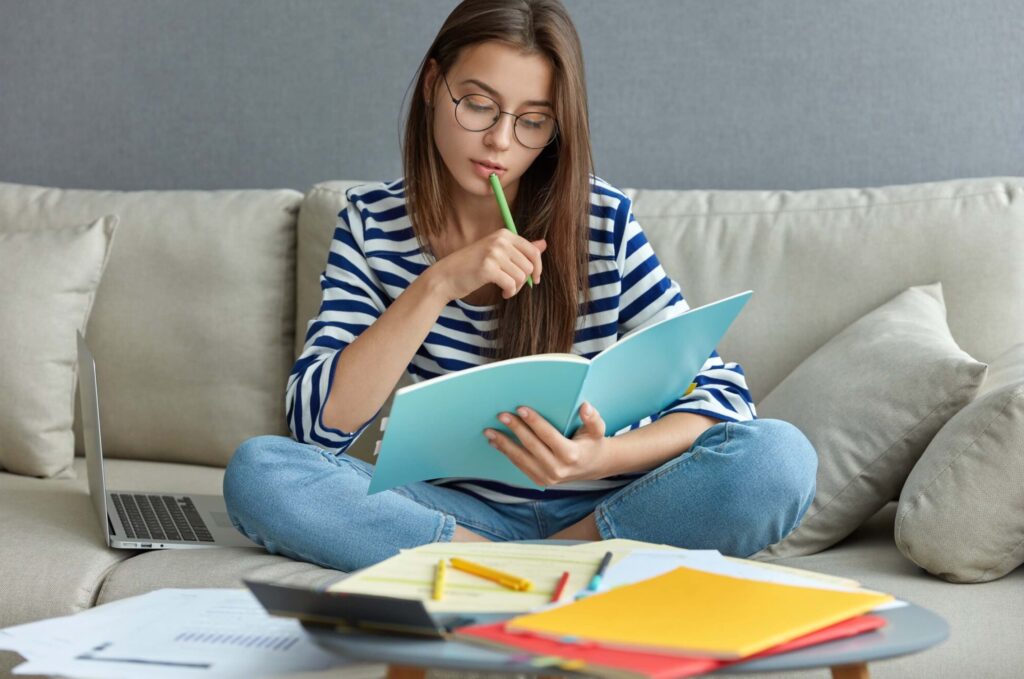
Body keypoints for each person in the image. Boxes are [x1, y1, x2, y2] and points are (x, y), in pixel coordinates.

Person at [223, 0, 817, 573]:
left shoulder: (599, 218)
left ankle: (523, 567)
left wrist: (594, 459)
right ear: (433, 84)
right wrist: (437, 285)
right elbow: (315, 428)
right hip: (454, 515)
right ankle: (517, 565)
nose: (501, 143)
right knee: (260, 472)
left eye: (532, 122)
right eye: (478, 105)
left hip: (606, 508)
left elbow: (720, 398)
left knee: (778, 460)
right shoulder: (372, 222)